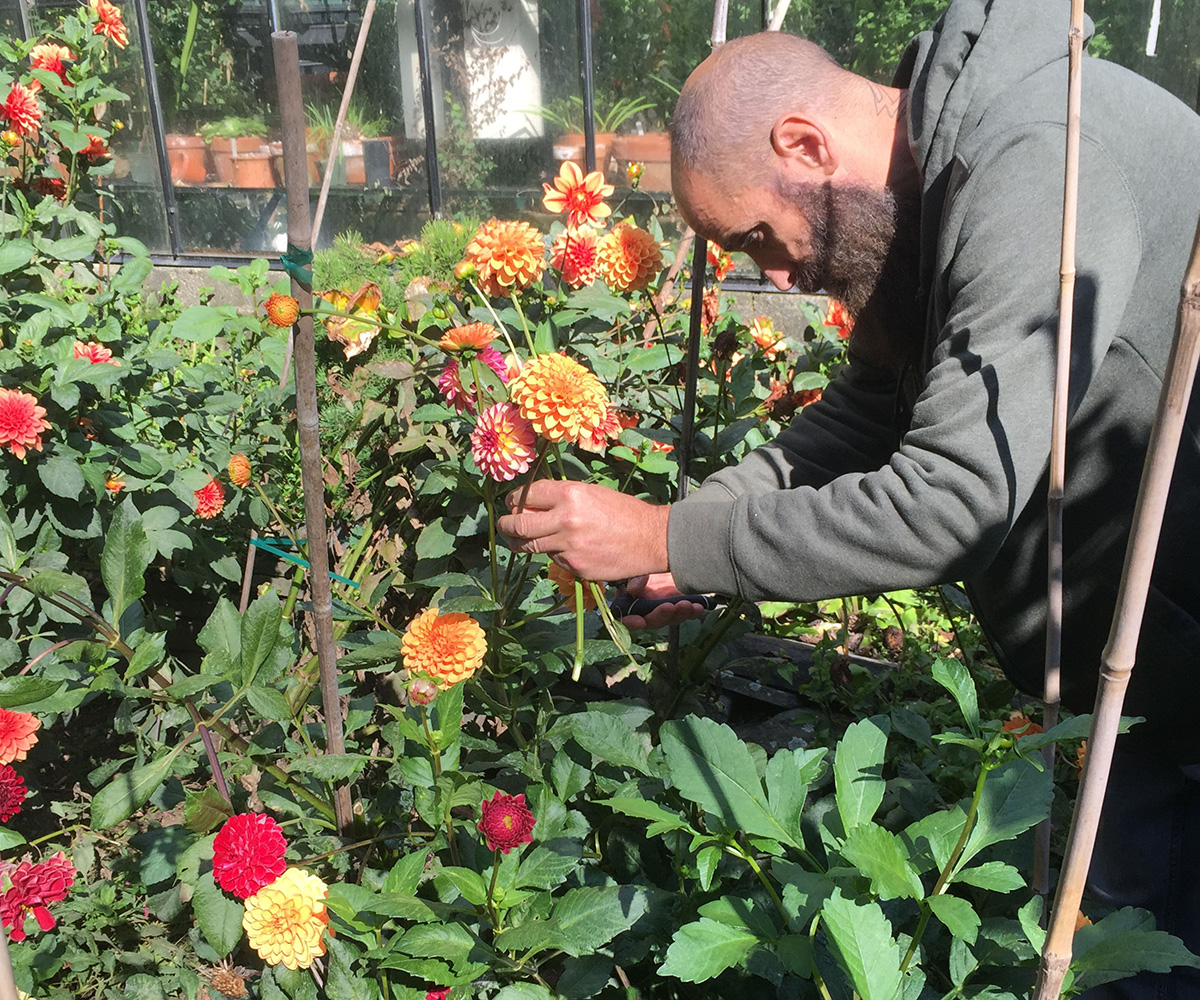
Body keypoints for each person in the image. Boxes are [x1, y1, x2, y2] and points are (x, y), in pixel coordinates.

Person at [498, 1, 1200, 994]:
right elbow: (864, 418)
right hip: (1151, 668)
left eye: (759, 237)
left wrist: (663, 529)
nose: (773, 272)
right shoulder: (925, 197)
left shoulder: (1037, 160)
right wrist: (677, 543)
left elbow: (950, 502)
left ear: (805, 144)